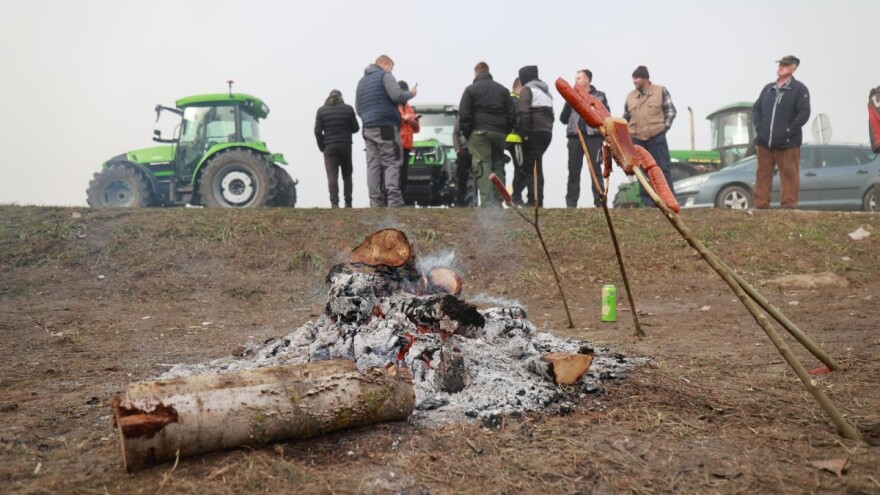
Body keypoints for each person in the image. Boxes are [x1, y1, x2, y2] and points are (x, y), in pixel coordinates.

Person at [355, 54, 417, 207]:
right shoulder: (385, 76)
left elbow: (358, 108)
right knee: (392, 162)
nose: (391, 71)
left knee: (373, 165)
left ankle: (375, 201)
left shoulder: (361, 82)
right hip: (386, 127)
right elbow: (398, 96)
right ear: (385, 63)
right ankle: (394, 200)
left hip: (368, 128)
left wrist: (369, 118)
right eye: (391, 68)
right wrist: (411, 93)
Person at [752, 56, 811, 209]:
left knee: (789, 175)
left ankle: (788, 206)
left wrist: (789, 130)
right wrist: (759, 127)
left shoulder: (799, 89)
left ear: (793, 68)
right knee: (762, 174)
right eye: (780, 64)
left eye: (785, 65)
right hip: (764, 142)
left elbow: (804, 112)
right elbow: (756, 109)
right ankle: (760, 205)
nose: (780, 67)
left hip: (787, 143)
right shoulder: (768, 88)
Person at [458, 62, 516, 207]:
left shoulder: (471, 90)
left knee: (483, 166)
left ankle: (488, 205)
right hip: (499, 133)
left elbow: (464, 114)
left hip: (478, 133)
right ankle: (499, 202)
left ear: (476, 73)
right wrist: (504, 132)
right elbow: (512, 114)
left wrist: (468, 134)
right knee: (498, 165)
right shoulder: (503, 90)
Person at [623, 65, 676, 207]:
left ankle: (669, 202)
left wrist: (663, 128)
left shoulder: (660, 91)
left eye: (637, 78)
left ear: (645, 78)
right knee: (641, 172)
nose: (634, 81)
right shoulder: (630, 96)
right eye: (633, 78)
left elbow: (671, 111)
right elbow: (625, 118)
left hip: (656, 137)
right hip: (637, 139)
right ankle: (648, 203)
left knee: (663, 168)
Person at [559, 69, 609, 208]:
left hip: (594, 138)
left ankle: (600, 203)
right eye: (576, 78)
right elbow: (563, 118)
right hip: (575, 137)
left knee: (596, 170)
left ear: (587, 80)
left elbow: (606, 117)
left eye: (579, 78)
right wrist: (570, 100)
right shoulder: (571, 96)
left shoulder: (600, 96)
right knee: (573, 171)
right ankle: (571, 204)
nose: (575, 81)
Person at [516, 65, 554, 207]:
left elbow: (524, 112)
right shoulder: (546, 92)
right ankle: (537, 199)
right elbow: (551, 115)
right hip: (546, 132)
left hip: (533, 132)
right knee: (537, 166)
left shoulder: (527, 89)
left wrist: (524, 133)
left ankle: (534, 201)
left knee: (533, 167)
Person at [314, 89, 359, 208]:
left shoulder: (321, 111)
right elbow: (356, 128)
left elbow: (317, 131)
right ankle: (348, 202)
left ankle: (334, 203)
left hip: (329, 147)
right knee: (347, 175)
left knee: (332, 175)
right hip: (345, 145)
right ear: (341, 97)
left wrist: (322, 146)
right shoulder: (348, 109)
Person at [397, 81, 420, 194]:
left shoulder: (409, 108)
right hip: (396, 146)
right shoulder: (393, 107)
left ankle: (401, 197)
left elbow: (416, 129)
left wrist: (414, 123)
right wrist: (403, 118)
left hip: (407, 146)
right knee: (396, 174)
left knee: (404, 176)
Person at [506, 78, 526, 205]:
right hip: (515, 140)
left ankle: (513, 197)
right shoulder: (515, 100)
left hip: (507, 138)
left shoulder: (507, 99)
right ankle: (516, 197)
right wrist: (524, 134)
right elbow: (517, 119)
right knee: (521, 169)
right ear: (519, 87)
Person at [452, 115, 473, 206]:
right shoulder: (461, 117)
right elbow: (455, 133)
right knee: (461, 177)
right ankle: (460, 201)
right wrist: (457, 149)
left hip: (478, 149)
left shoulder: (479, 113)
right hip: (464, 150)